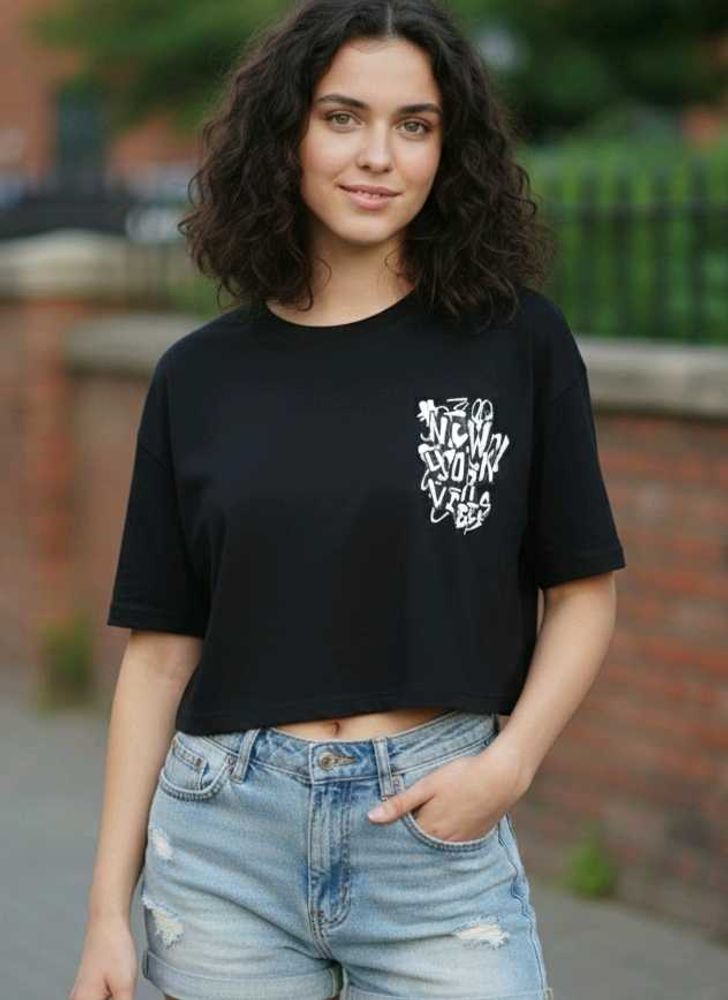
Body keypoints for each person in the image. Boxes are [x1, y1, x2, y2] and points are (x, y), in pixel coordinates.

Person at [69, 2, 627, 999]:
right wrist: (108, 912)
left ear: (445, 150)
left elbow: (581, 591)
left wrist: (507, 766)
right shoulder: (198, 378)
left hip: (434, 833)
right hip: (223, 842)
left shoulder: (515, 344)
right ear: (286, 131)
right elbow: (157, 655)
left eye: (413, 124)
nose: (377, 155)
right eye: (341, 117)